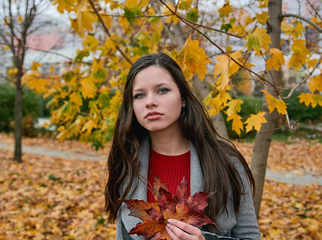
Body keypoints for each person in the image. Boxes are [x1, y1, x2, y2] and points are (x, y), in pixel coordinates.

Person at [105, 53, 262, 240]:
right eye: (139, 95)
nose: (149, 102)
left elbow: (251, 236)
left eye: (162, 90)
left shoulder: (226, 163)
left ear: (184, 98)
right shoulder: (127, 164)